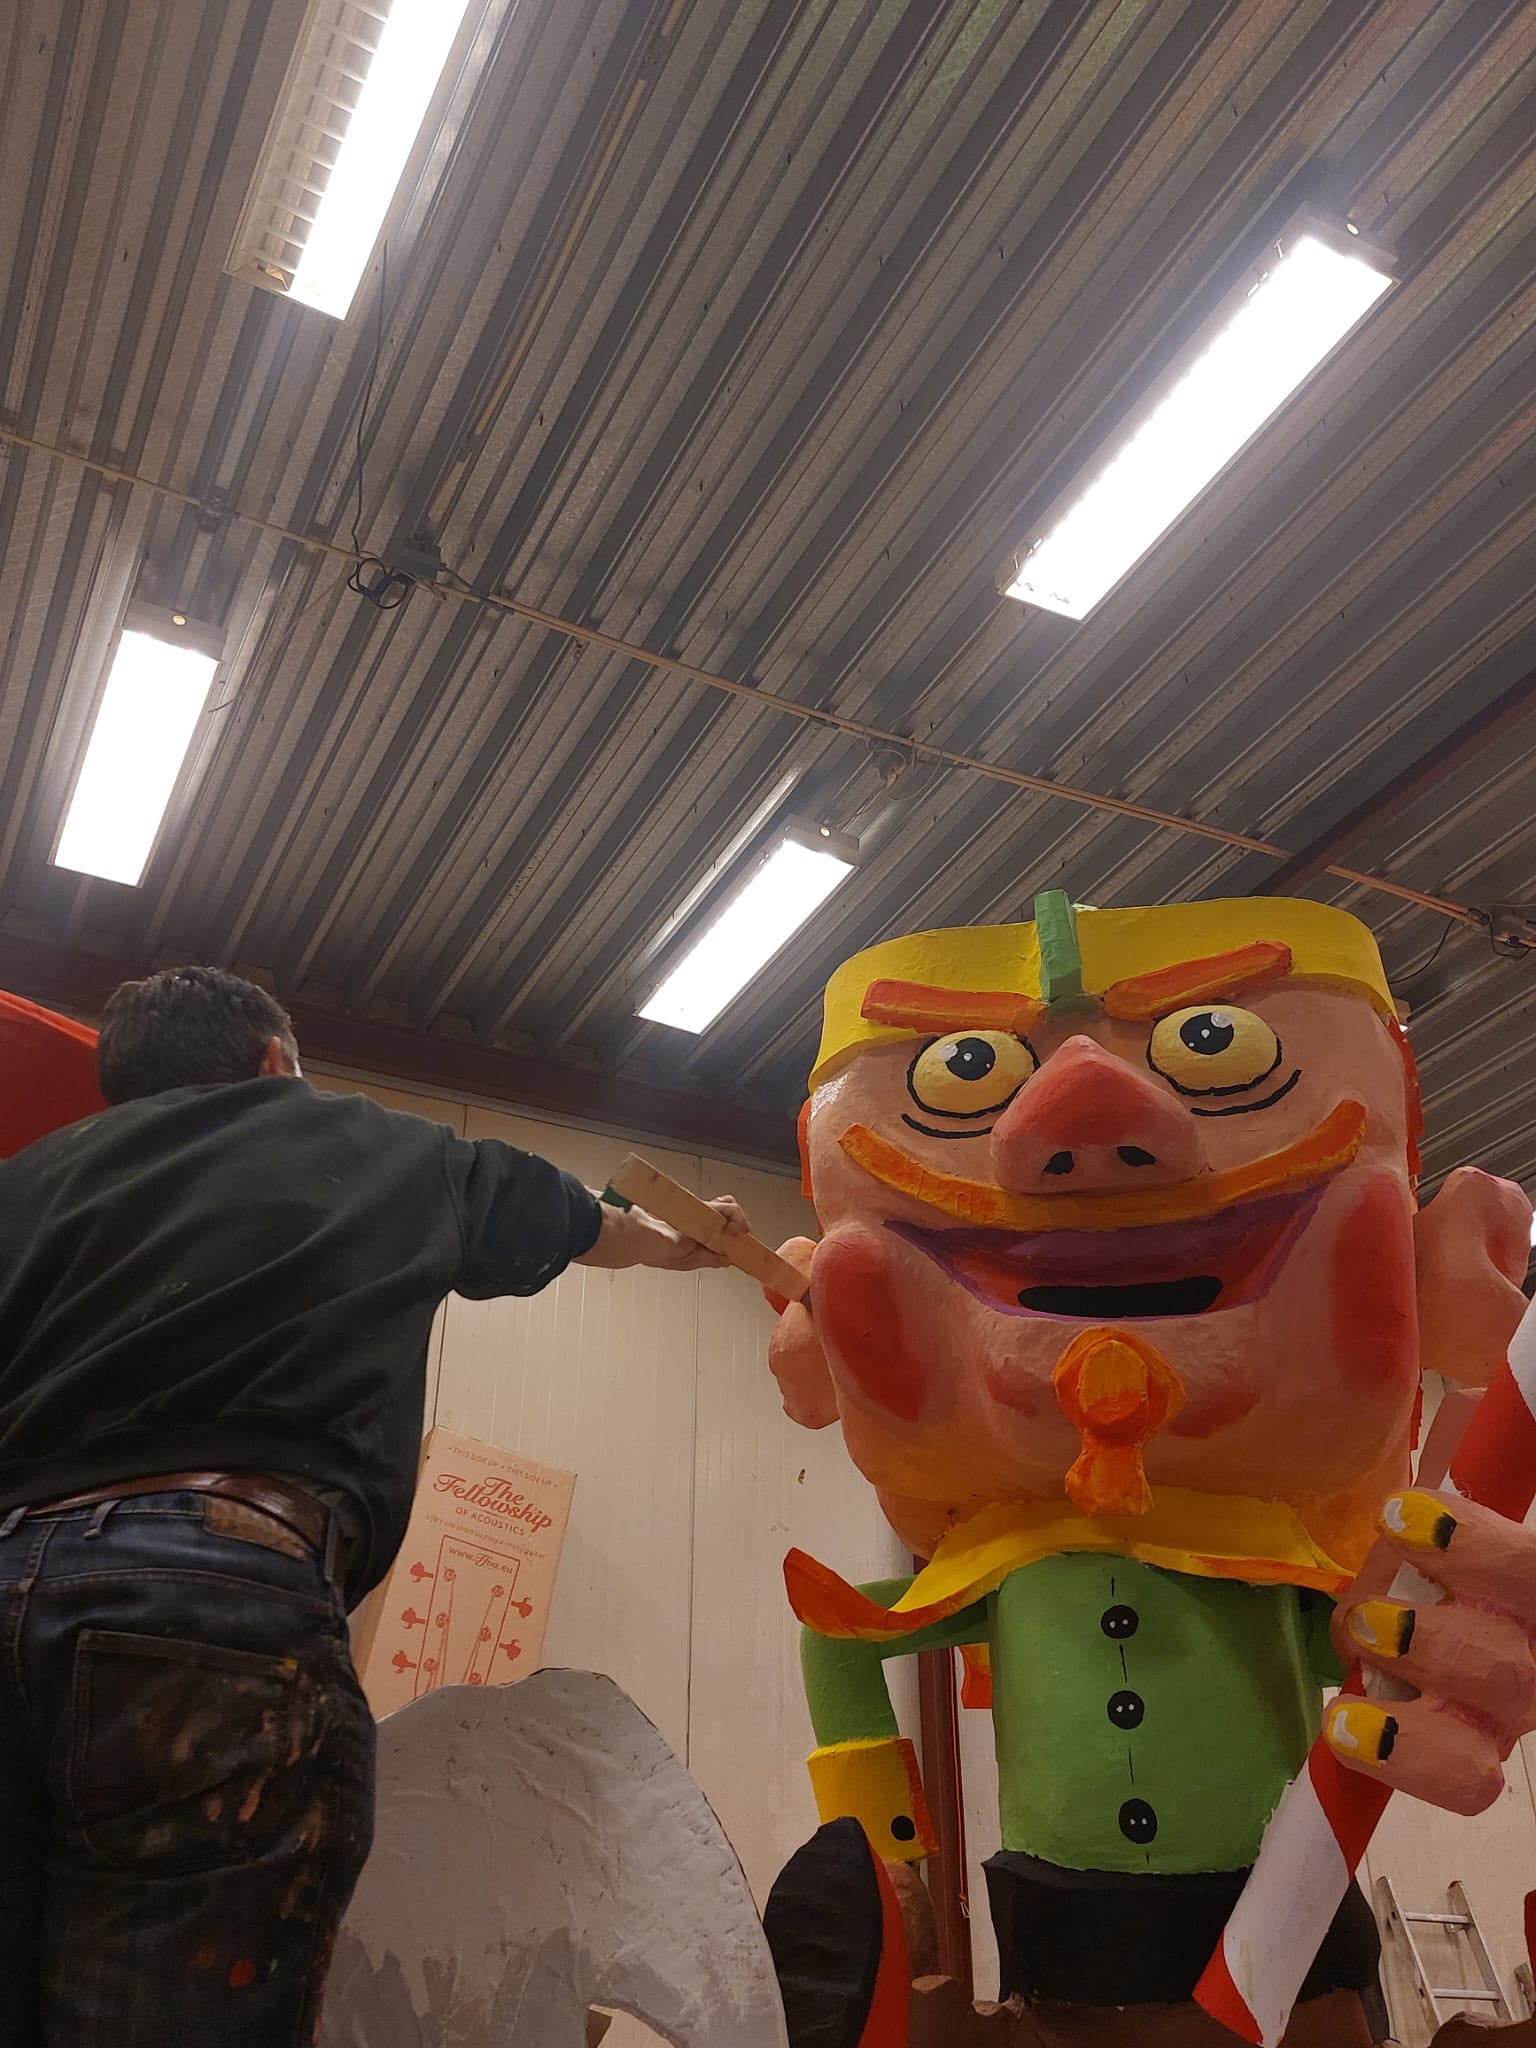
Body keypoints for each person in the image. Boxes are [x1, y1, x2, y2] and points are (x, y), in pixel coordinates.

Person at [0, 965, 749, 2048]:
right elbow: (586, 1220)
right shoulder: (377, 1143)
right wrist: (681, 1244)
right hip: (207, 1604)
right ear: (273, 1062)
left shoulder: (26, 1183)